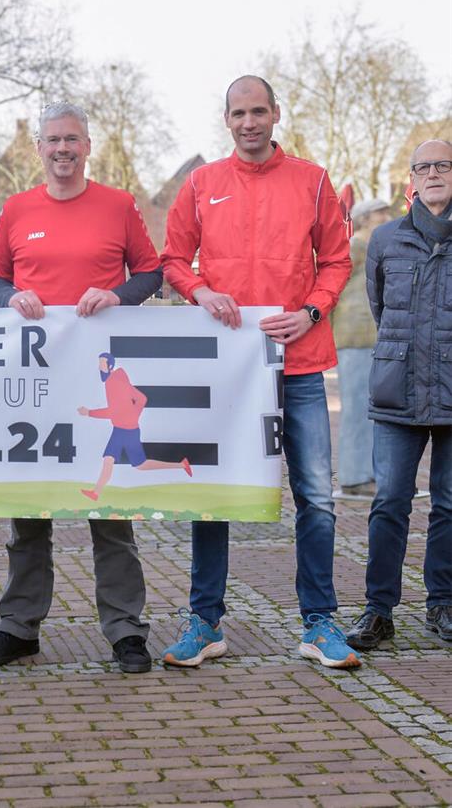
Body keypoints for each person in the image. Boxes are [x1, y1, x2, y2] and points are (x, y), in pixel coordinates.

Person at [160, 75, 360, 669]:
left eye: (258, 111)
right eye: (239, 113)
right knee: (211, 494)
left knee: (316, 498)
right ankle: (205, 623)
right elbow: (172, 258)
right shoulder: (201, 184)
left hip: (299, 366)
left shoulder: (313, 181)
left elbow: (338, 258)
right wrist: (198, 291)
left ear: (275, 115)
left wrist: (311, 310)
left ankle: (319, 623)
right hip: (226, 369)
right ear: (226, 120)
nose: (249, 122)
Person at [0, 102, 164, 673]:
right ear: (39, 148)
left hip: (99, 375)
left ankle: (125, 629)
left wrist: (119, 296)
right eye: (53, 140)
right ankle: (19, 625)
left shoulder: (118, 205)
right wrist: (9, 298)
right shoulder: (16, 208)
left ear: (88, 146)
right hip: (34, 379)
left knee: (109, 508)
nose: (63, 149)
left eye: (72, 140)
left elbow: (152, 272)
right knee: (29, 507)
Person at [346, 139, 452, 649]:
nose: (433, 173)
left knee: (450, 505)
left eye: (443, 165)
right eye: (424, 167)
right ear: (412, 178)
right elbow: (380, 307)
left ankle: (442, 604)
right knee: (389, 501)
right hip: (398, 393)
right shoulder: (386, 240)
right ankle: (378, 610)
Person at [332, 198, 393, 497]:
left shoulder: (376, 248)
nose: (387, 217)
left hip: (374, 337)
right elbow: (332, 288)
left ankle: (370, 473)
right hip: (353, 338)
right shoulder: (354, 247)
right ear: (367, 217)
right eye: (382, 213)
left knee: (375, 410)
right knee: (356, 409)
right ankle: (354, 476)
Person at [78, 352, 192, 502]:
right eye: (99, 362)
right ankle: (96, 493)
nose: (100, 365)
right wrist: (132, 415)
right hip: (122, 429)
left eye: (103, 362)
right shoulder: (117, 380)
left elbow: (114, 411)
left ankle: (181, 465)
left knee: (136, 464)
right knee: (110, 459)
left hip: (127, 431)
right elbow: (142, 399)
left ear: (110, 366)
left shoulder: (114, 382)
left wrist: (89, 413)